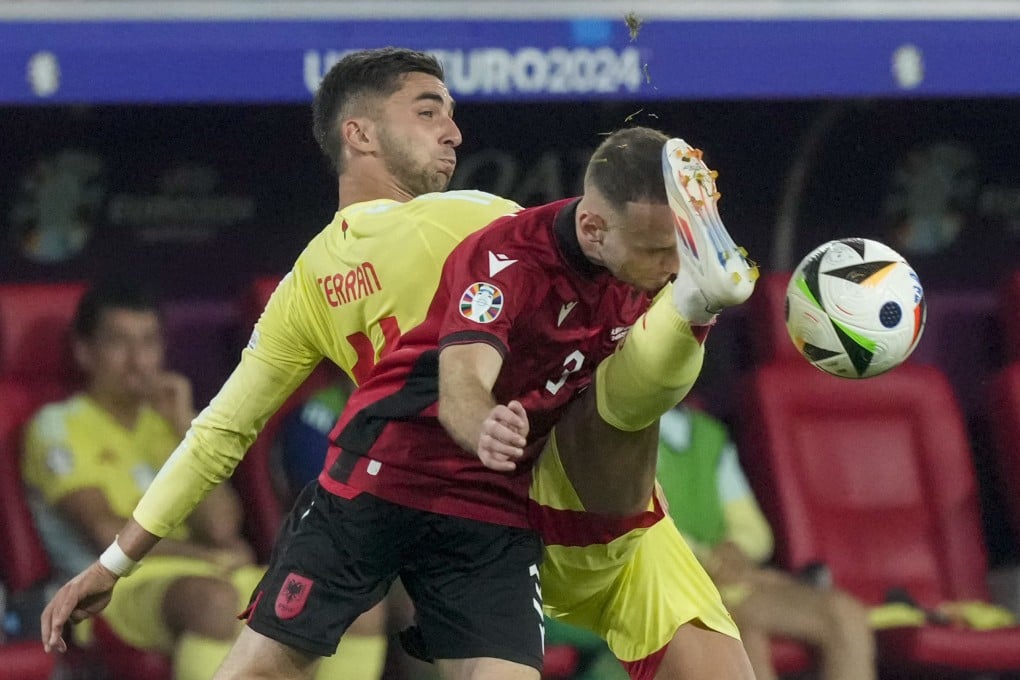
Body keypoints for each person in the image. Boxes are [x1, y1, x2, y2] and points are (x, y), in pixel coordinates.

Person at [41, 48, 756, 680]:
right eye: (427, 110)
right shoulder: (470, 220)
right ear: (359, 133)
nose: (454, 129)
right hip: (514, 486)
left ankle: (693, 302)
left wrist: (114, 561)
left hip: (561, 506)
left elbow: (216, 435)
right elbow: (584, 240)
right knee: (620, 391)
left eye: (451, 112)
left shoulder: (309, 280)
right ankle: (693, 305)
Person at [21, 282, 265, 680]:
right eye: (120, 344)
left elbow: (222, 527)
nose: (138, 362)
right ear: (85, 352)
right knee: (216, 602)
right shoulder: (57, 426)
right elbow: (105, 533)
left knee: (322, 599)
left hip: (202, 574)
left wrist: (187, 427)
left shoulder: (165, 422)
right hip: (106, 589)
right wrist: (206, 558)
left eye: (149, 343)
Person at [656, 405, 877, 680]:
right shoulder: (615, 431)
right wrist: (709, 559)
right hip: (665, 590)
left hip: (730, 582)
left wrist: (735, 549)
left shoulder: (709, 435)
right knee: (739, 635)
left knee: (846, 615)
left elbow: (755, 532)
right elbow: (638, 527)